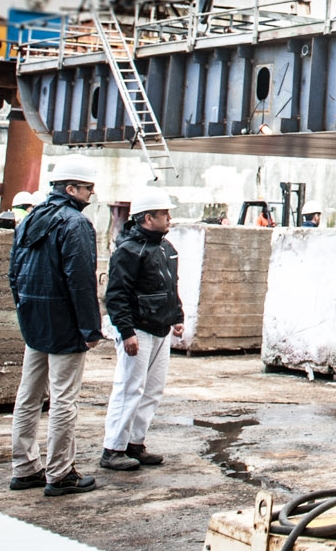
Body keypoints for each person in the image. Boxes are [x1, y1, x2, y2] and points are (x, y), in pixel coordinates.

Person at [8, 156, 104, 497]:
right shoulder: (75, 223)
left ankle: (25, 468)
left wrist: (26, 311)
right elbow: (80, 281)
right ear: (71, 189)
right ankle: (60, 473)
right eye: (88, 188)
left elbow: (14, 273)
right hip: (64, 324)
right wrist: (90, 329)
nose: (92, 194)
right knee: (64, 399)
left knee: (29, 395)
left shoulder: (31, 218)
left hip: (34, 320)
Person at [101, 189, 185, 472]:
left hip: (160, 329)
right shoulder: (128, 250)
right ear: (148, 218)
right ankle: (113, 448)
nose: (169, 218)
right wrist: (126, 332)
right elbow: (116, 295)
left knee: (151, 390)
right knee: (129, 389)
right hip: (139, 329)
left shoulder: (165, 248)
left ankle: (135, 443)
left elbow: (170, 286)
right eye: (164, 214)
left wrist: (177, 315)